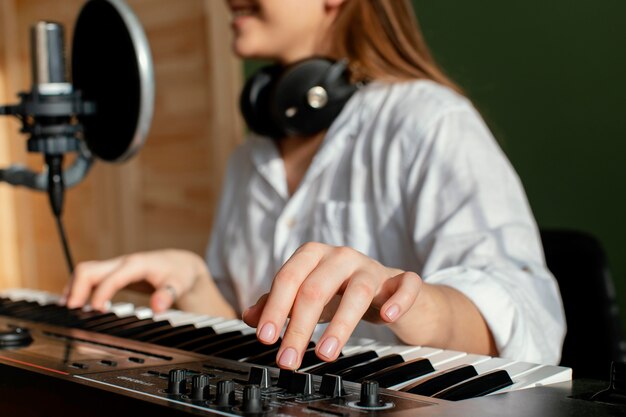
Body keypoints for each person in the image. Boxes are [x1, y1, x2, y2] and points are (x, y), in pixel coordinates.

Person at [65, 0, 566, 370]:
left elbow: (529, 315)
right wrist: (197, 281)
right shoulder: (250, 158)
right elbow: (260, 330)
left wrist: (401, 300)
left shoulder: (430, 121)